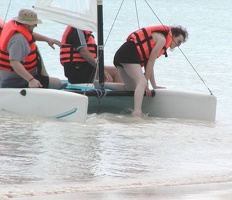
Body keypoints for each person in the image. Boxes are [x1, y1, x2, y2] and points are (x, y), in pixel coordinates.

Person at [113, 25, 189, 117]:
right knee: (141, 82)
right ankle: (137, 113)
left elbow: (149, 64)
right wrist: (146, 84)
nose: (178, 45)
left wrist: (153, 85)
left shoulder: (162, 40)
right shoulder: (162, 40)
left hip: (121, 54)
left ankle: (101, 85)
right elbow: (151, 62)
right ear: (173, 35)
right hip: (128, 53)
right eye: (179, 41)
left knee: (132, 89)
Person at [0, 9, 65, 89]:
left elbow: (30, 34)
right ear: (28, 25)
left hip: (21, 77)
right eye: (35, 24)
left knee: (56, 82)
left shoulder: (19, 30)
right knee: (57, 84)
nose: (35, 26)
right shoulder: (19, 40)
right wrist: (31, 80)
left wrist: (47, 39)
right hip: (18, 81)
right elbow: (14, 63)